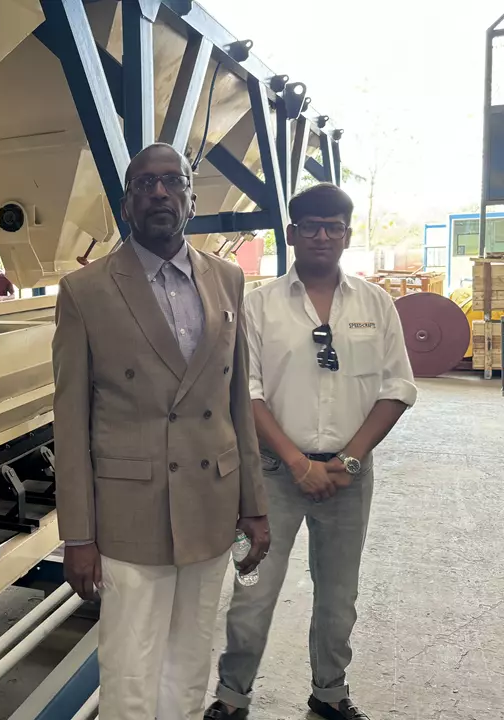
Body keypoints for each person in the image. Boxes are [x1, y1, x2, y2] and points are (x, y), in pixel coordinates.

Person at [52, 143, 270, 720]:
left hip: (210, 503)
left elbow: (237, 401)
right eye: (144, 184)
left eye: (173, 181)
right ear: (126, 204)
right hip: (130, 511)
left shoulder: (228, 279)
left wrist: (254, 505)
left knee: (190, 661)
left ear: (191, 199)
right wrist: (78, 536)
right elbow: (70, 422)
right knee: (130, 669)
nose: (159, 193)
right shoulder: (86, 291)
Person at [205, 184, 418, 720]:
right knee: (251, 591)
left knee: (338, 598)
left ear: (346, 234)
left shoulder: (375, 304)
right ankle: (231, 697)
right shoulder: (259, 306)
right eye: (311, 227)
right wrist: (298, 464)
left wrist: (349, 461)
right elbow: (245, 392)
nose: (322, 236)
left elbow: (397, 388)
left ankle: (329, 693)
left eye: (333, 227)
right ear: (292, 233)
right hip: (271, 476)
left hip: (349, 479)